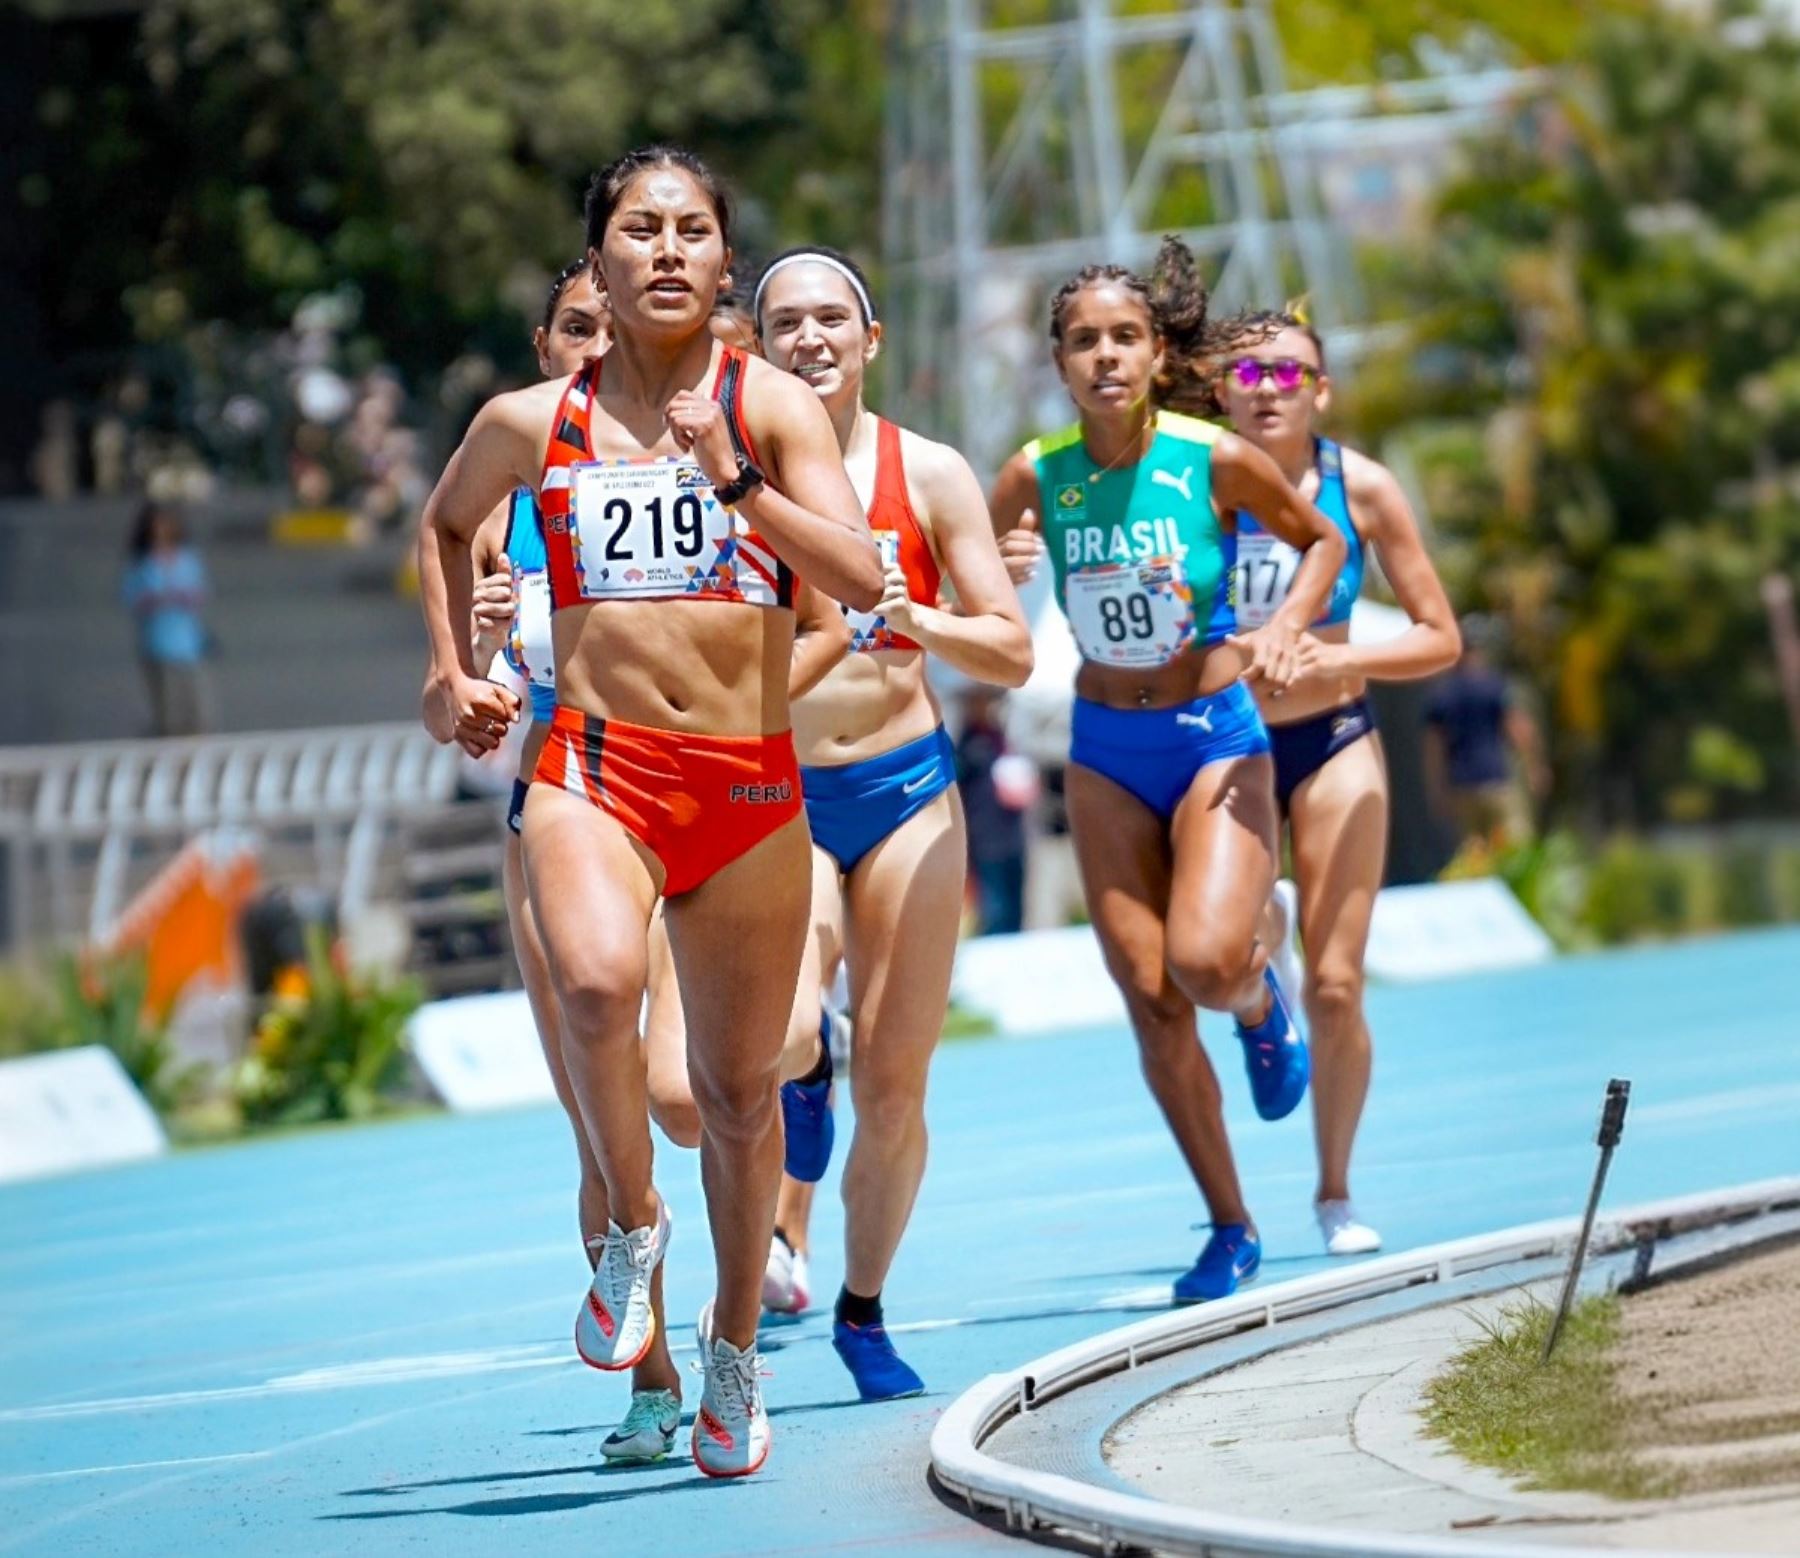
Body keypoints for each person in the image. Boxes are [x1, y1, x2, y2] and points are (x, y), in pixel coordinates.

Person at [418, 145, 882, 1479]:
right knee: (595, 985)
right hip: (594, 764)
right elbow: (446, 526)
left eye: (692, 230)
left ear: (723, 264)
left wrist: (737, 479)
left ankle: (733, 1352)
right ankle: (633, 1225)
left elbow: (861, 581)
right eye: (641, 229)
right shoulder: (531, 422)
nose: (668, 250)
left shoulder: (775, 407)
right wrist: (454, 669)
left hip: (742, 787)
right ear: (601, 264)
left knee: (736, 1099)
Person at [991, 238, 1345, 1304]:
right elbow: (954, 560)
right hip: (1103, 748)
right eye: (1084, 341)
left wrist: (1286, 624)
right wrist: (997, 566)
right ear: (1059, 362)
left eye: (1125, 338)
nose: (1105, 356)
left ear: (1155, 354)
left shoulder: (1211, 456)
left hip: (1211, 736)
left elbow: (1319, 538)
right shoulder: (1035, 472)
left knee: (1201, 961)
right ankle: (1231, 1224)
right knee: (1149, 1002)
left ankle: (1256, 994)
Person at [742, 245, 1032, 1397]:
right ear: (752, 350)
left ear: (871, 342)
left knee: (900, 1088)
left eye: (830, 319)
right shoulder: (725, 475)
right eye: (784, 324)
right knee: (789, 1031)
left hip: (909, 787)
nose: (809, 338)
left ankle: (863, 1312)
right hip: (785, 795)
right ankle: (804, 1079)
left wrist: (923, 621)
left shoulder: (934, 472)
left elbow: (1006, 648)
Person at [422, 260, 697, 1461]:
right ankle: (655, 1378)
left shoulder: (699, 454)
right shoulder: (500, 507)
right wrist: (470, 679)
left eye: (615, 324)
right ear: (545, 344)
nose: (598, 345)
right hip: (564, 801)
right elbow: (453, 711)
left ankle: (794, 1075)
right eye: (575, 327)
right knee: (602, 1123)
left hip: (702, 801)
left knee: (689, 1097)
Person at [1208, 307, 1461, 1256]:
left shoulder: (1366, 489)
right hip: (1230, 743)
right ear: (1220, 390)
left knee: (1342, 982)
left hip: (1338, 735)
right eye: (1249, 374)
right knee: (1226, 946)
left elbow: (1440, 637)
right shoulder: (1195, 484)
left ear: (1321, 389)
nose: (1268, 390)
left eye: (1289, 373)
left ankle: (1334, 1193)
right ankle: (1258, 971)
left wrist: (1325, 664)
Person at [1425, 614, 1546, 856]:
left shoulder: (1443, 693)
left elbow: (1433, 747)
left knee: (1474, 858)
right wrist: (1535, 766)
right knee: (1514, 851)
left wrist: (1436, 789)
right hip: (1495, 779)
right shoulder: (1494, 686)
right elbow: (1518, 729)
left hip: (1461, 785)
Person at [122, 500, 211, 737]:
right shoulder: (143, 563)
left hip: (187, 644)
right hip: (157, 644)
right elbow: (132, 598)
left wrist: (180, 597)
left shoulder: (186, 559)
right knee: (168, 714)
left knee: (196, 711)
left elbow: (198, 593)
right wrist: (154, 599)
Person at [954, 686, 1031, 935]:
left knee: (1016, 905)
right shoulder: (967, 745)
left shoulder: (1002, 738)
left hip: (1013, 835)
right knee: (995, 909)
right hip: (984, 839)